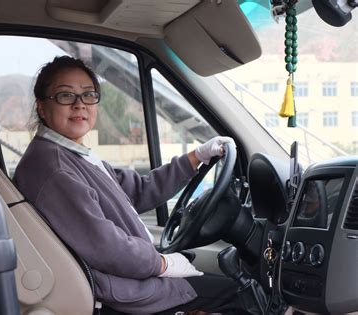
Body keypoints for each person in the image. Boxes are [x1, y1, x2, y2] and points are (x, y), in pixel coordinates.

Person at [13, 56, 245, 314]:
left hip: (125, 278)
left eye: (88, 95)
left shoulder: (71, 154)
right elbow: (106, 246)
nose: (80, 105)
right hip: (120, 292)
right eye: (65, 96)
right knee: (240, 294)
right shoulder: (54, 168)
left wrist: (197, 157)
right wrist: (161, 264)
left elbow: (139, 191)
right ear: (42, 107)